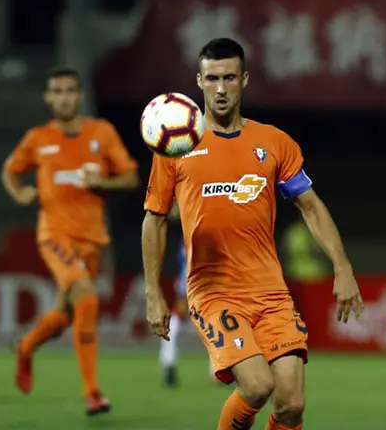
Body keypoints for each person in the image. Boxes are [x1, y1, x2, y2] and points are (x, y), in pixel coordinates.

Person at [142, 38, 363, 430]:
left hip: (270, 290)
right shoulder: (175, 146)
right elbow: (155, 219)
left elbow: (310, 205)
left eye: (229, 77)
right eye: (212, 79)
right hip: (213, 291)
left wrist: (342, 266)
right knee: (258, 385)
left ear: (244, 79)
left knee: (292, 404)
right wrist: (154, 292)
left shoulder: (274, 142)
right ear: (198, 81)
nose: (221, 88)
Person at [1, 65, 139, 416]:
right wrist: (19, 195)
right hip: (54, 234)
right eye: (57, 91)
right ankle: (93, 392)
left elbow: (130, 177)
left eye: (69, 91)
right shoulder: (38, 139)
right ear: (49, 97)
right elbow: (10, 170)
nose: (63, 97)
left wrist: (101, 184)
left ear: (79, 95)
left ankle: (26, 346)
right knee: (88, 300)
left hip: (91, 237)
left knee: (66, 314)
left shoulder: (101, 132)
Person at [159, 203, 219, 387]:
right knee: (206, 309)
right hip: (198, 251)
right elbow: (173, 211)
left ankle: (168, 359)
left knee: (194, 309)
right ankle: (216, 368)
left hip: (206, 251)